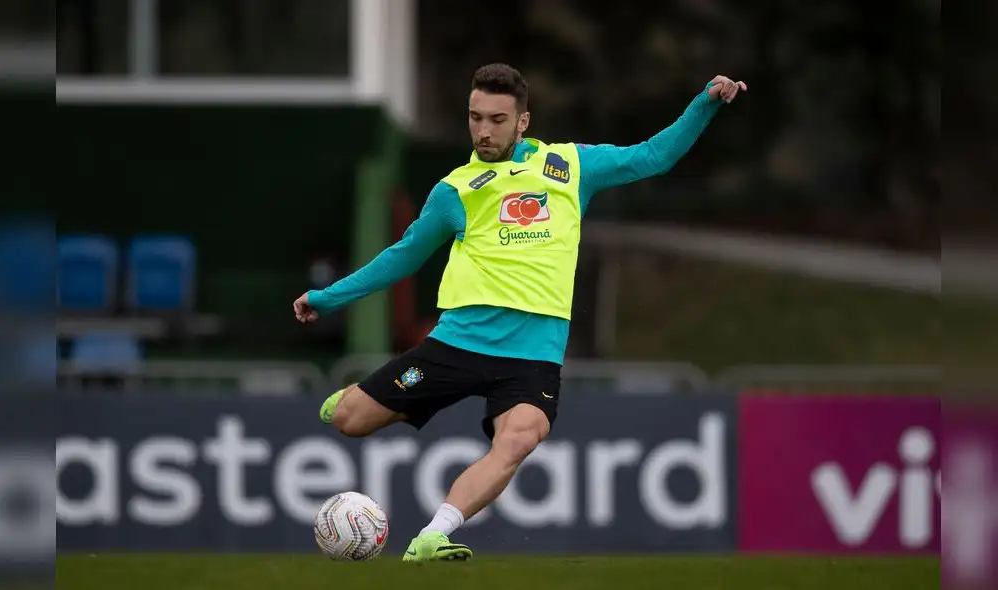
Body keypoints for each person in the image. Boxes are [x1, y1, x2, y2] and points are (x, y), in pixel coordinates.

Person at [293, 63, 747, 562]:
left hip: (532, 358)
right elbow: (403, 257)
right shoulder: (455, 190)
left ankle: (433, 535)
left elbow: (654, 156)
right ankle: (355, 398)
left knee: (519, 439)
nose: (484, 131)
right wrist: (327, 297)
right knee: (352, 421)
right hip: (457, 345)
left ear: (523, 121)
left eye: (497, 119)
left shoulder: (570, 166)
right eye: (475, 118)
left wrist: (704, 104)